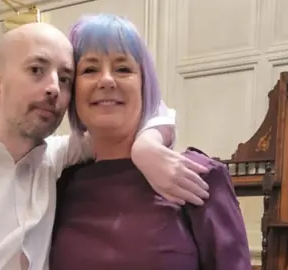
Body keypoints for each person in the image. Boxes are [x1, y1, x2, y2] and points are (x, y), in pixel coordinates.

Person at [0, 23, 208, 270]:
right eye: (36, 70)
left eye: (64, 78)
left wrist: (146, 148)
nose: (53, 89)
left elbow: (142, 113)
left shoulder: (57, 159)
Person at [50, 14, 252, 270]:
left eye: (123, 68)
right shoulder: (61, 185)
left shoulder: (198, 174)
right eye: (90, 69)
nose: (107, 80)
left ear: (145, 86)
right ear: (72, 91)